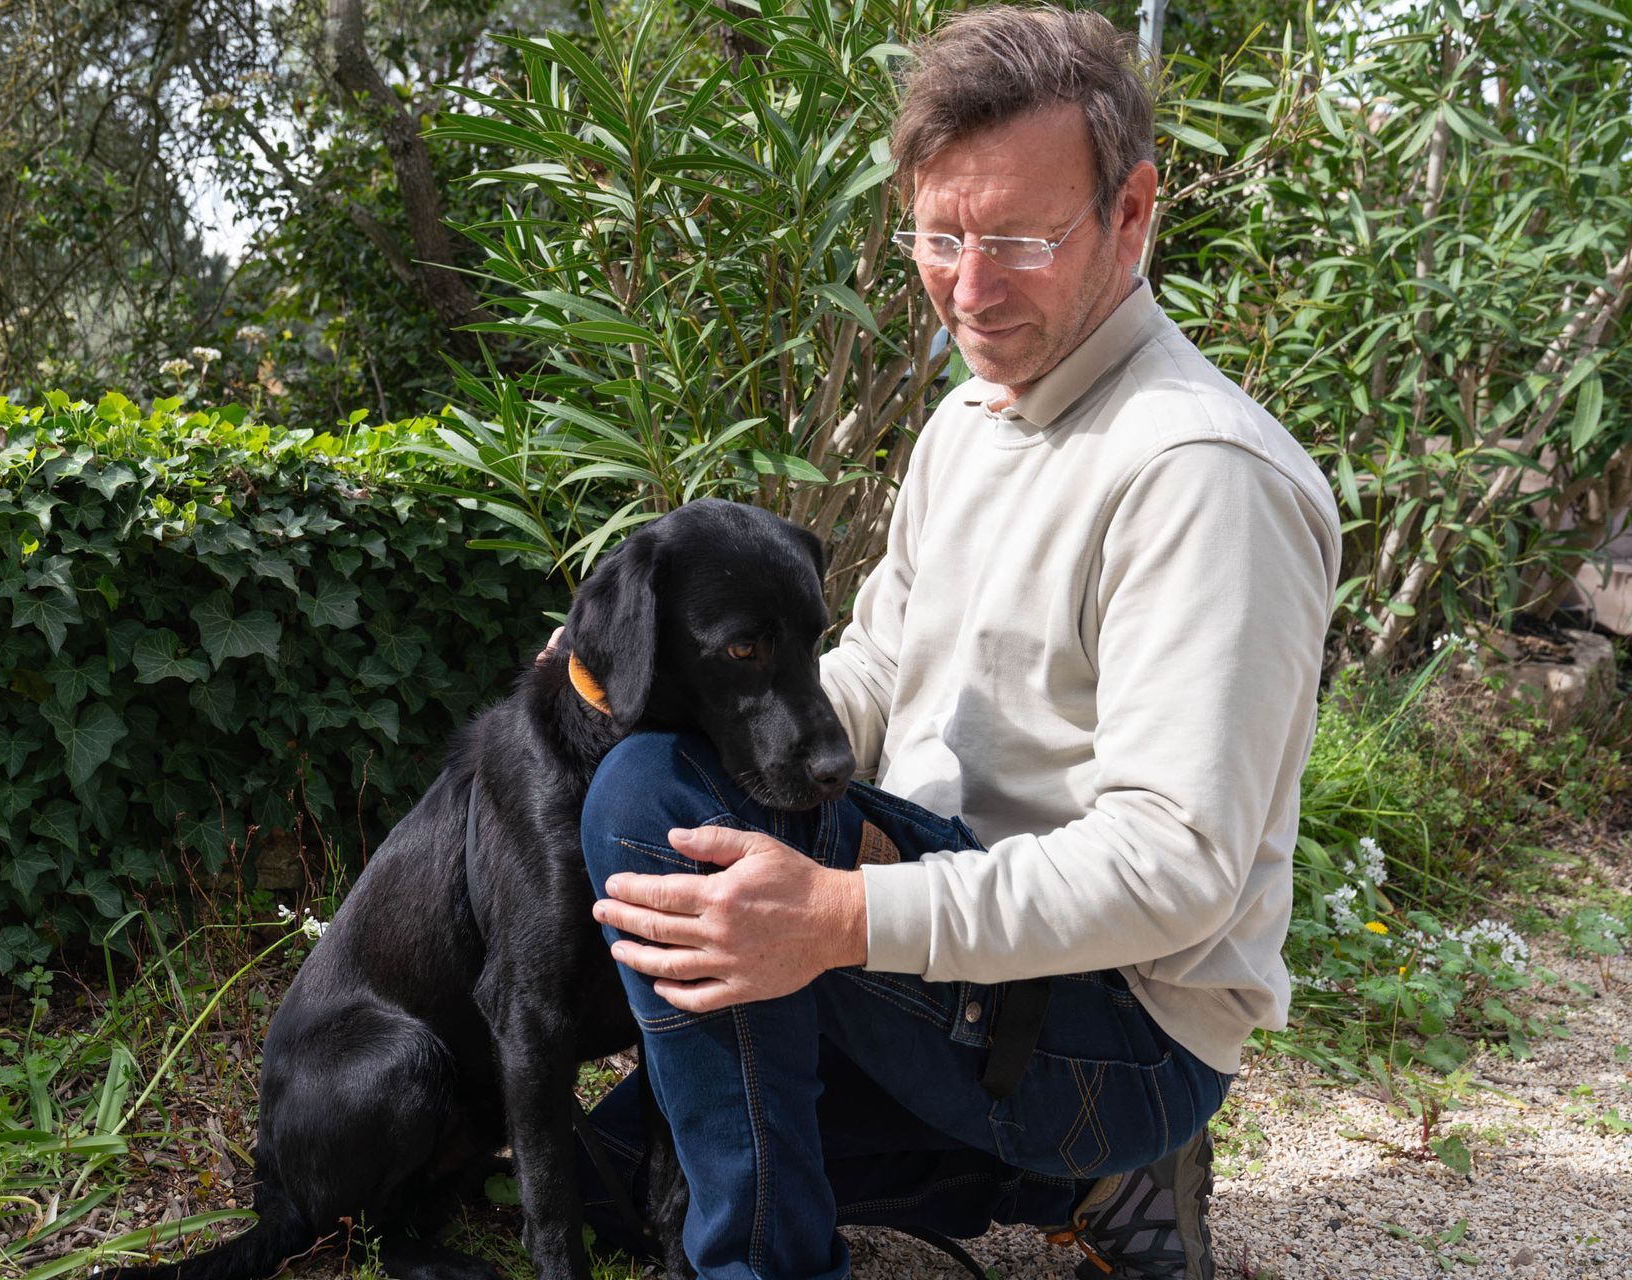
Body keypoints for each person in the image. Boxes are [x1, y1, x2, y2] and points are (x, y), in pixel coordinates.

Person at [570, 7, 1341, 1279]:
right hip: (931, 937)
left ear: (1133, 211)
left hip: (1115, 1021)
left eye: (1022, 240)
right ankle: (1045, 1172)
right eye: (942, 236)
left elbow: (1177, 867)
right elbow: (872, 676)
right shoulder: (970, 421)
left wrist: (835, 913)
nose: (969, 290)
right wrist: (625, 679)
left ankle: (824, 1242)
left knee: (648, 802)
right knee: (618, 1175)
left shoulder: (1202, 476)